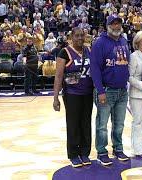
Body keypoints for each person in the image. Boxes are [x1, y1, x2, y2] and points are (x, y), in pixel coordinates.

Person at [90, 14, 130, 166]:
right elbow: (94, 68)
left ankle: (118, 149)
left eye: (118, 24)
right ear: (108, 26)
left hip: (122, 90)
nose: (116, 26)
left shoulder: (124, 41)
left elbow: (126, 64)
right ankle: (101, 152)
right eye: (113, 24)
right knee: (102, 125)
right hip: (106, 90)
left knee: (119, 124)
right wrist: (100, 91)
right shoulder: (100, 43)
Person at [52, 27, 93, 168]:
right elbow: (58, 76)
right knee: (73, 124)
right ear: (71, 37)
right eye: (77, 36)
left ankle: (85, 153)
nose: (80, 38)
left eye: (82, 35)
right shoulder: (65, 52)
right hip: (72, 94)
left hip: (88, 93)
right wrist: (55, 97)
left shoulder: (89, 50)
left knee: (86, 124)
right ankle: (74, 154)